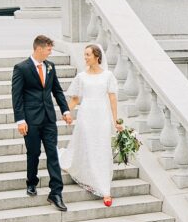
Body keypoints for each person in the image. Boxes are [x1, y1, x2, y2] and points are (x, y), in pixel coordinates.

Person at [12, 35, 73, 212]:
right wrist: (20, 120)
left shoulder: (50, 66)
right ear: (39, 48)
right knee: (33, 152)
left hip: (49, 119)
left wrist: (65, 111)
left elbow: (57, 91)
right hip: (30, 120)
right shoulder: (21, 68)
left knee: (52, 153)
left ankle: (56, 192)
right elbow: (16, 96)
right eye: (48, 49)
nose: (50, 52)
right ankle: (31, 182)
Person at [63, 44, 122, 207]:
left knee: (101, 147)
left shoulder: (108, 76)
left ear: (97, 56)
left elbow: (112, 99)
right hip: (86, 115)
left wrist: (116, 120)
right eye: (85, 54)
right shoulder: (81, 77)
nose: (85, 57)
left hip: (102, 115)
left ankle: (105, 188)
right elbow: (75, 99)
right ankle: (89, 175)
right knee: (88, 145)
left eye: (88, 54)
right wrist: (67, 112)